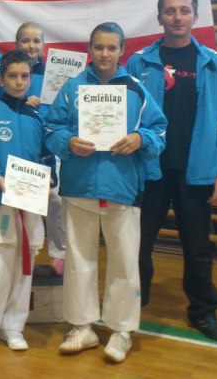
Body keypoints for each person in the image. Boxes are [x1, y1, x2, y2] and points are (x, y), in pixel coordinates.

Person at [45, 23, 167, 364]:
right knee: (79, 259)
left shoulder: (136, 89)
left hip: (122, 186)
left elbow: (159, 129)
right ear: (89, 48)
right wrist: (68, 142)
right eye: (98, 47)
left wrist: (140, 138)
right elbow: (52, 128)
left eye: (111, 48)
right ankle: (81, 326)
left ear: (122, 51)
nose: (104, 54)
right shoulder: (72, 87)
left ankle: (121, 330)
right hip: (80, 185)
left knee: (125, 261)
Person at [127, 0, 217, 341]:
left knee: (198, 247)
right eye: (170, 11)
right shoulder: (138, 62)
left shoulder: (212, 63)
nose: (177, 17)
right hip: (149, 171)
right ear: (159, 17)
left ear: (195, 16)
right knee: (137, 244)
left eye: (184, 10)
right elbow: (124, 115)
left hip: (196, 171)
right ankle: (131, 306)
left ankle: (203, 312)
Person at [0, 50, 54, 359]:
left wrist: (50, 180)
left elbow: (46, 158)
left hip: (30, 205)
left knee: (23, 267)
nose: (19, 82)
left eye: (24, 76)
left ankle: (13, 327)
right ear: (1, 80)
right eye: (12, 76)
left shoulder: (36, 118)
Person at [16, 22, 66, 275]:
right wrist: (23, 101)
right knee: (27, 200)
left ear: (44, 44)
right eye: (25, 40)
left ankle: (59, 253)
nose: (31, 45)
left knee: (56, 198)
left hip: (50, 143)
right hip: (24, 143)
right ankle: (29, 252)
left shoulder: (56, 72)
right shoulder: (11, 71)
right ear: (17, 43)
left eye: (36, 40)